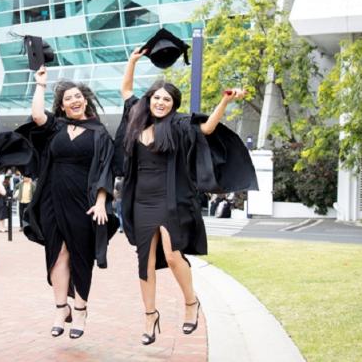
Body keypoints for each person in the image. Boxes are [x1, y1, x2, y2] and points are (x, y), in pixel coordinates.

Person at [117, 47, 257, 345]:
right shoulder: (136, 119)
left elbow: (206, 128)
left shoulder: (179, 125)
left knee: (171, 253)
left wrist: (225, 101)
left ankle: (191, 303)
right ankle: (149, 316)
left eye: (167, 100)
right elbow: (127, 89)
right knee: (144, 260)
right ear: (150, 99)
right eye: (157, 97)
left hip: (170, 199)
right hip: (141, 201)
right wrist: (132, 60)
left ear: (173, 105)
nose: (161, 102)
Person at [20, 65, 116, 339]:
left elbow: (105, 170)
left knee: (80, 256)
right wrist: (40, 85)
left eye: (77, 96)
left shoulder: (99, 133)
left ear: (85, 99)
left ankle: (81, 309)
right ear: (62, 107)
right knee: (57, 256)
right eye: (67, 99)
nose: (74, 101)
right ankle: (60, 309)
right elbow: (37, 115)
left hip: (83, 201)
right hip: (52, 198)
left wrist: (100, 202)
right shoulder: (57, 128)